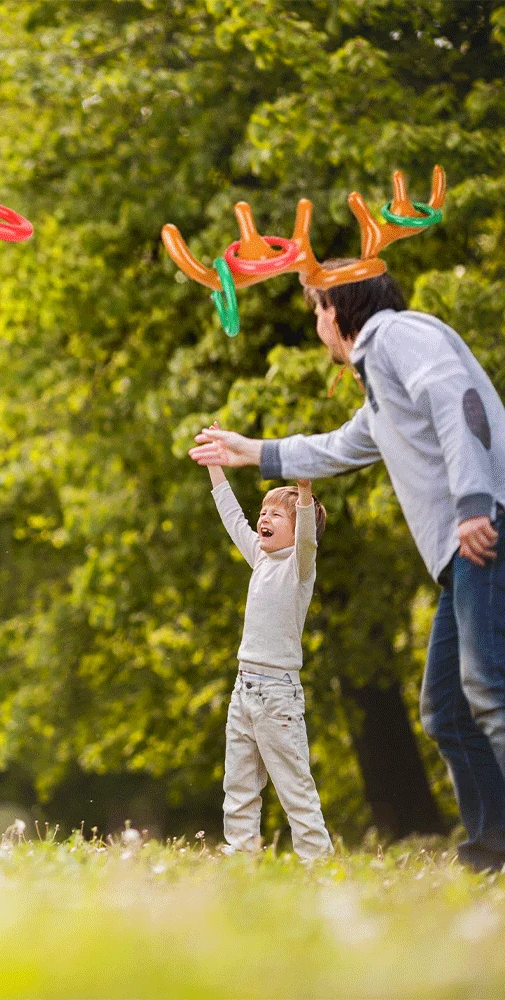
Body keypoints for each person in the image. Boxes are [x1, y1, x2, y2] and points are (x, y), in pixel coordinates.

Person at [189, 263, 505, 871]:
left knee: (488, 691)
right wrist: (250, 452)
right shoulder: (382, 385)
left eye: (315, 311)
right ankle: (491, 854)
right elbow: (338, 447)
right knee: (447, 708)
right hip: (460, 557)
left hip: (485, 529)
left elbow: (456, 398)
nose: (315, 325)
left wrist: (471, 501)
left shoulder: (397, 335)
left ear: (337, 309)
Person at [204, 430, 332, 859]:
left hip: (278, 694)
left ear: (296, 529)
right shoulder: (259, 557)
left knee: (295, 784)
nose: (265, 518)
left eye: (278, 515)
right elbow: (232, 518)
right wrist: (216, 468)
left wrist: (304, 490)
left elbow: (308, 537)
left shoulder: (299, 566)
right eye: (264, 512)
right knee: (238, 783)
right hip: (244, 689)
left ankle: (319, 863)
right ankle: (242, 857)